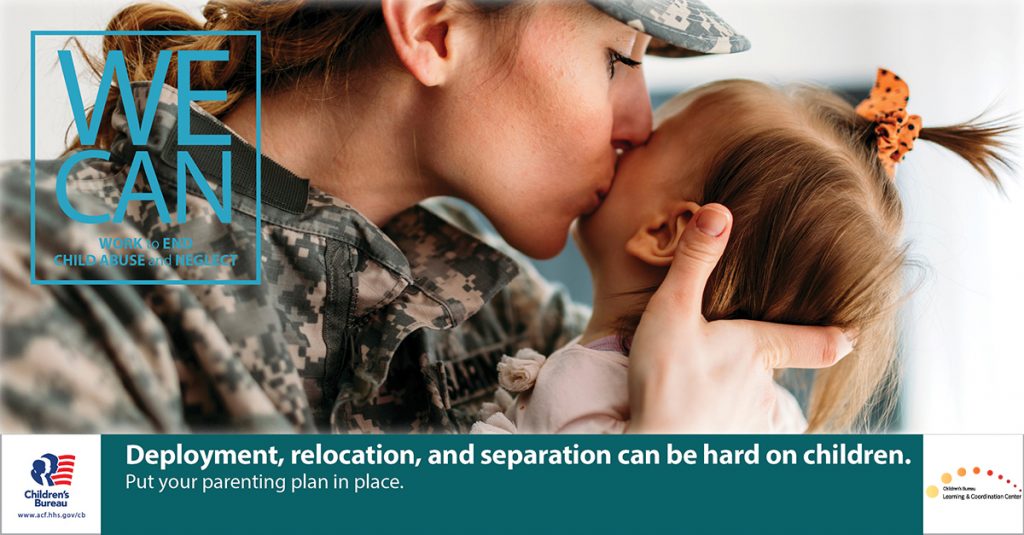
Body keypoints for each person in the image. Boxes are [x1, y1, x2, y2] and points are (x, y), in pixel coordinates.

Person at [0, 0, 854, 434]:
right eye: (615, 59)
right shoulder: (49, 263)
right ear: (436, 28)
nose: (640, 123)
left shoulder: (512, 328)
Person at [470, 71, 1015, 435]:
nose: (627, 132)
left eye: (651, 137)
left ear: (673, 232)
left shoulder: (576, 387)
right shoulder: (780, 416)